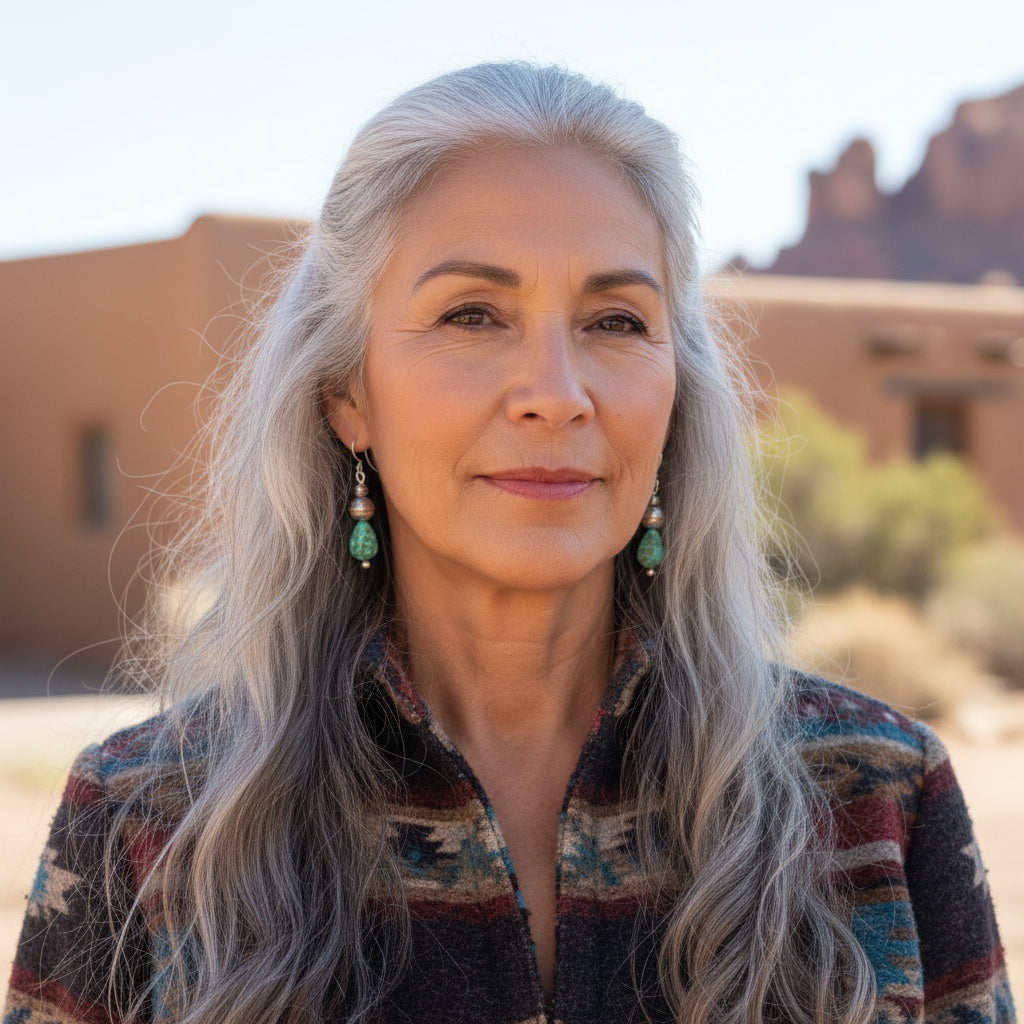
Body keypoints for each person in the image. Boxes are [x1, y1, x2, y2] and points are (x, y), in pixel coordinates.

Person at [3, 62, 1015, 1024]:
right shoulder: (148, 821)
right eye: (473, 314)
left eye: (616, 321)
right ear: (347, 392)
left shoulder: (878, 798)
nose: (556, 395)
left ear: (676, 390)